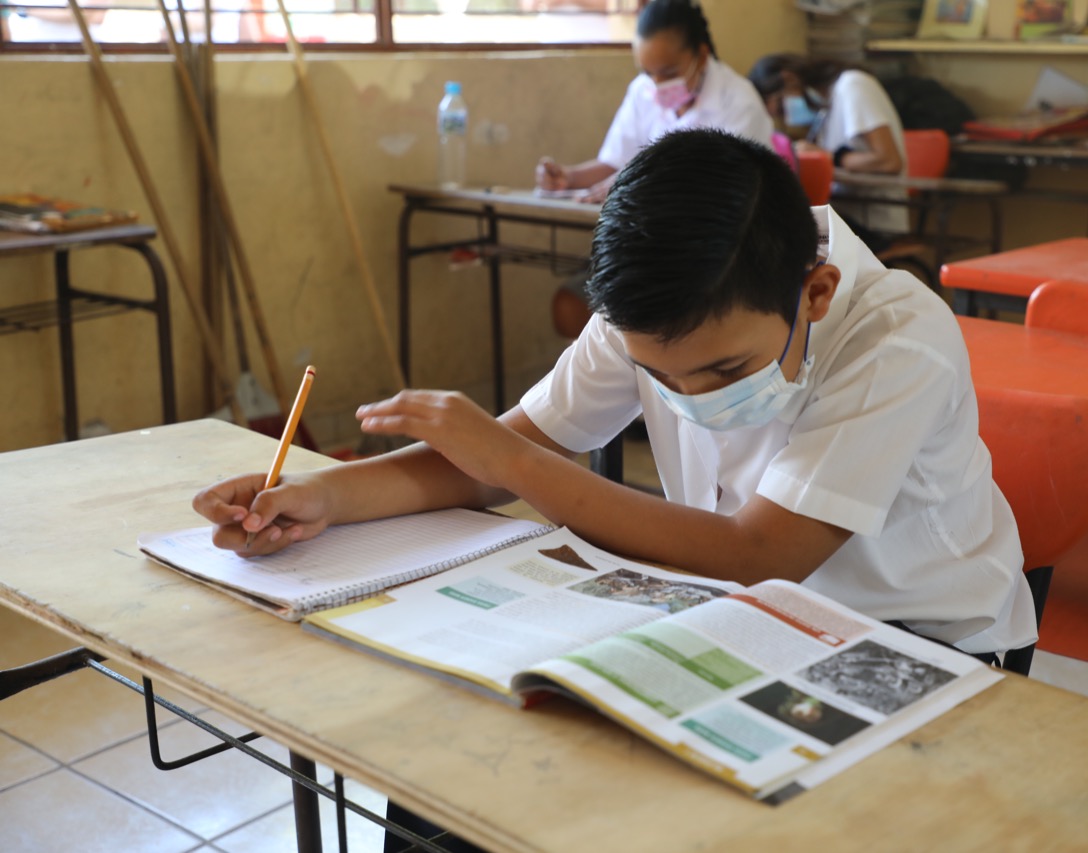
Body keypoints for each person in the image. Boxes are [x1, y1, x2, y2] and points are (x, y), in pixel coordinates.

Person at [196, 129, 1034, 850]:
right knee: (462, 751)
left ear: (814, 291)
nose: (691, 395)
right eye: (656, 375)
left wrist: (517, 464)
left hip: (920, 645)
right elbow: (499, 456)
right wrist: (328, 496)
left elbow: (761, 552)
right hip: (747, 614)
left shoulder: (897, 335)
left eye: (725, 370)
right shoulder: (646, 311)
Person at [537, 0, 775, 338]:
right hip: (651, 247)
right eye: (648, 73)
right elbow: (614, 161)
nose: (658, 84)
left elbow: (731, 195)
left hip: (715, 254)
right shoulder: (642, 93)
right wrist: (570, 178)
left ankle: (651, 382)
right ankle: (630, 384)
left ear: (702, 55)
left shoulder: (738, 103)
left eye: (669, 72)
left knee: (637, 319)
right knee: (570, 307)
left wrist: (632, 185)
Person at [749, 53, 909, 254]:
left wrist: (828, 157)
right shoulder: (825, 106)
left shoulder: (853, 85)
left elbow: (889, 161)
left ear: (789, 78)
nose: (787, 115)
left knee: (781, 236)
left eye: (781, 106)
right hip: (841, 213)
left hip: (871, 222)